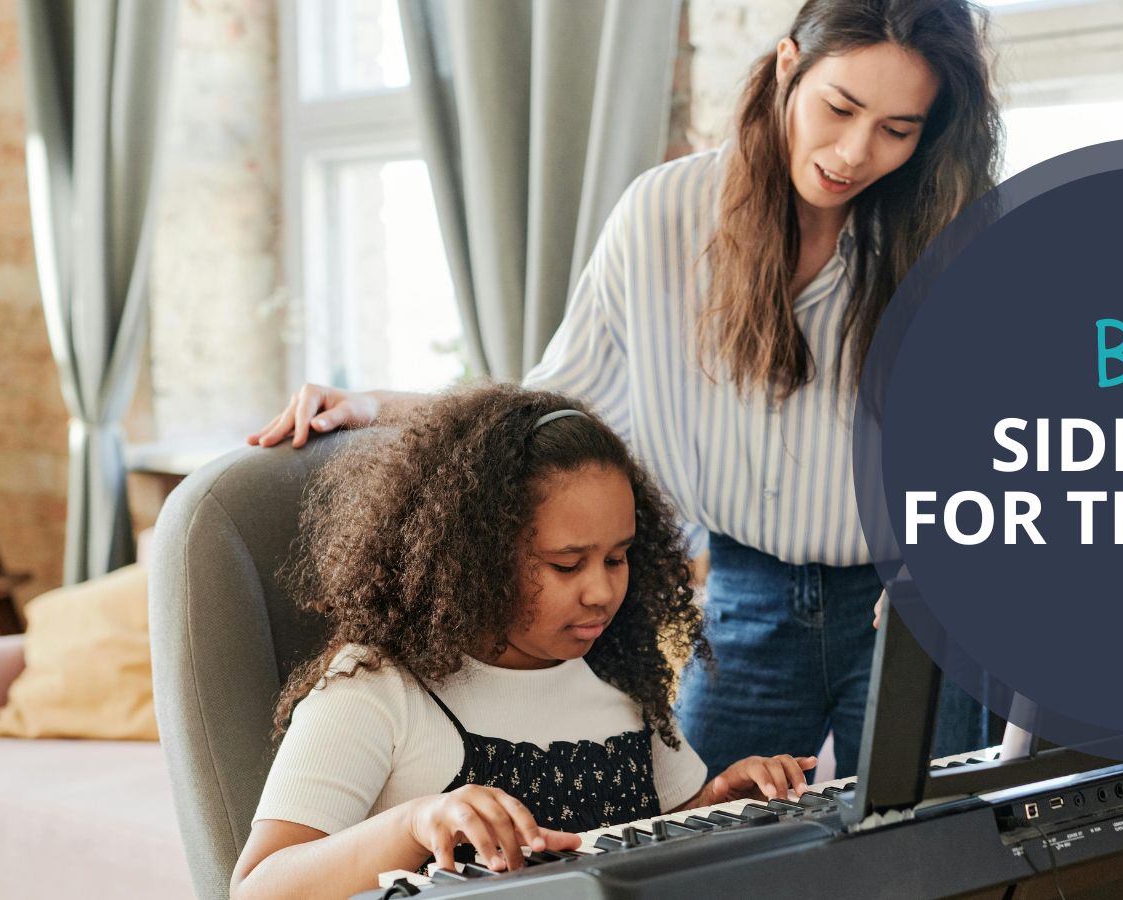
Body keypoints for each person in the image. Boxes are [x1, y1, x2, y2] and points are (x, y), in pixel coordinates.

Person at [248, 0, 1002, 779]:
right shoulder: (663, 217)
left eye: (897, 130)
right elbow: (552, 404)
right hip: (746, 596)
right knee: (701, 847)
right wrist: (377, 406)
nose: (853, 152)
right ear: (788, 67)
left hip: (907, 602)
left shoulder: (953, 237)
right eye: (838, 108)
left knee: (938, 847)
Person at [231, 387, 816, 900]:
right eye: (567, 565)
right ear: (477, 559)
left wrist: (718, 803)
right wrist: (411, 826)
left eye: (617, 558)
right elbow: (259, 888)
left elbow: (648, 830)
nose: (602, 591)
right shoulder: (377, 688)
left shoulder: (616, 673)